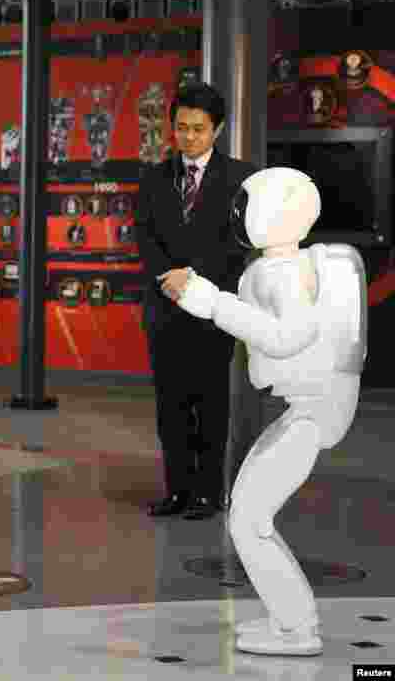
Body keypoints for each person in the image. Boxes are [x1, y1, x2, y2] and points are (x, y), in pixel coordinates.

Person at [177, 167, 364, 656]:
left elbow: (288, 336)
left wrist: (208, 300)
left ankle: (297, 630)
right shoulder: (303, 264)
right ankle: (291, 622)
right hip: (310, 409)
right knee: (249, 515)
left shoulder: (280, 272)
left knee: (249, 521)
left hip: (308, 414)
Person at [135, 82, 257, 521]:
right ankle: (177, 492)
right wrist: (170, 276)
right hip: (165, 307)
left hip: (213, 310)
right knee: (170, 406)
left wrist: (194, 277)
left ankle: (207, 492)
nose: (188, 137)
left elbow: (239, 243)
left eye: (198, 129)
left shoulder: (242, 178)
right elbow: (144, 236)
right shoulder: (153, 178)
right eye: (181, 128)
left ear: (217, 129)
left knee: (209, 402)